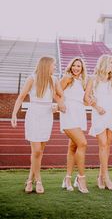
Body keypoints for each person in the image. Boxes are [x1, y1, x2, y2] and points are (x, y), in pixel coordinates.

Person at [11, 56, 65, 194]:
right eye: (53, 65)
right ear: (46, 65)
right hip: (34, 114)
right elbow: (21, 97)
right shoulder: (32, 79)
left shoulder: (54, 80)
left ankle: (30, 178)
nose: (55, 68)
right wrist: (14, 114)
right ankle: (38, 180)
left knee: (39, 151)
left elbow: (61, 95)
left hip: (47, 115)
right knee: (36, 151)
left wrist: (56, 106)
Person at [84, 54, 112, 191]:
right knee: (103, 144)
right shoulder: (93, 79)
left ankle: (100, 176)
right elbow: (86, 97)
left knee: (107, 145)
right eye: (110, 62)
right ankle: (107, 177)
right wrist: (97, 107)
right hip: (99, 113)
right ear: (103, 63)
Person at [60, 57, 89, 193]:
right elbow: (57, 92)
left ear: (82, 68)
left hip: (79, 113)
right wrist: (60, 104)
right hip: (69, 113)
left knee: (73, 146)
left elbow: (84, 99)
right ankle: (81, 178)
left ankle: (67, 178)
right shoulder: (68, 78)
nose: (76, 68)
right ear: (70, 66)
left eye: (79, 66)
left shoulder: (82, 81)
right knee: (83, 143)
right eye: (74, 65)